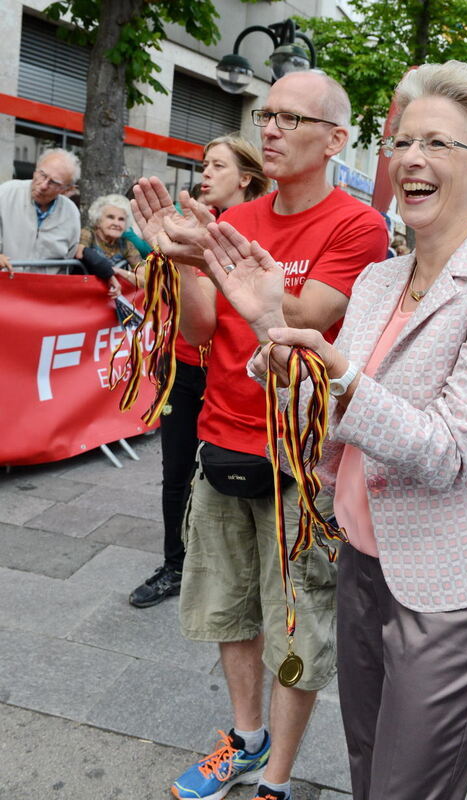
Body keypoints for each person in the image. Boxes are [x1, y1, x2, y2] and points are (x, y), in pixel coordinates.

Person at [195, 61, 467, 800]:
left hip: (459, 584)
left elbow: (450, 450)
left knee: (408, 787)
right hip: (364, 560)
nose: (409, 159)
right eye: (401, 141)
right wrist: (271, 327)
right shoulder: (377, 281)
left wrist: (335, 375)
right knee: (368, 767)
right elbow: (329, 415)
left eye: (436, 144)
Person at [131, 70, 388, 800]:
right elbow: (202, 328)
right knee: (227, 609)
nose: (269, 127)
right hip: (222, 439)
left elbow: (304, 319)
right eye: (266, 114)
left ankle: (277, 777)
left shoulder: (356, 224)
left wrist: (226, 270)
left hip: (302, 463)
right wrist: (183, 262)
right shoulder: (235, 222)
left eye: (290, 118)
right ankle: (245, 741)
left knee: (296, 625)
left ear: (336, 140)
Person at [129, 134, 271, 609]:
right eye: (204, 164)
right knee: (175, 471)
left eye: (218, 166)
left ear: (245, 177)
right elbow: (180, 311)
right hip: (184, 367)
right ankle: (174, 563)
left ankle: (226, 569)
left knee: (220, 475)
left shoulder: (255, 234)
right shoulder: (183, 226)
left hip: (231, 376)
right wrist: (160, 264)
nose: (205, 173)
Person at [0, 148, 80, 274]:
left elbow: (67, 261)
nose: (43, 186)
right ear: (36, 169)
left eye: (53, 182)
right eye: (42, 175)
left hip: (42, 289)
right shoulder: (6, 193)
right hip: (5, 285)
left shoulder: (71, 213)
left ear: (66, 190)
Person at [75, 194, 141, 297]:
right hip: (83, 297)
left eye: (121, 219)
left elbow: (146, 280)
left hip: (110, 300)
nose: (116, 223)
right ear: (98, 220)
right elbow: (79, 252)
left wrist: (119, 271)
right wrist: (109, 271)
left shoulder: (126, 244)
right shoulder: (88, 233)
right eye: (110, 217)